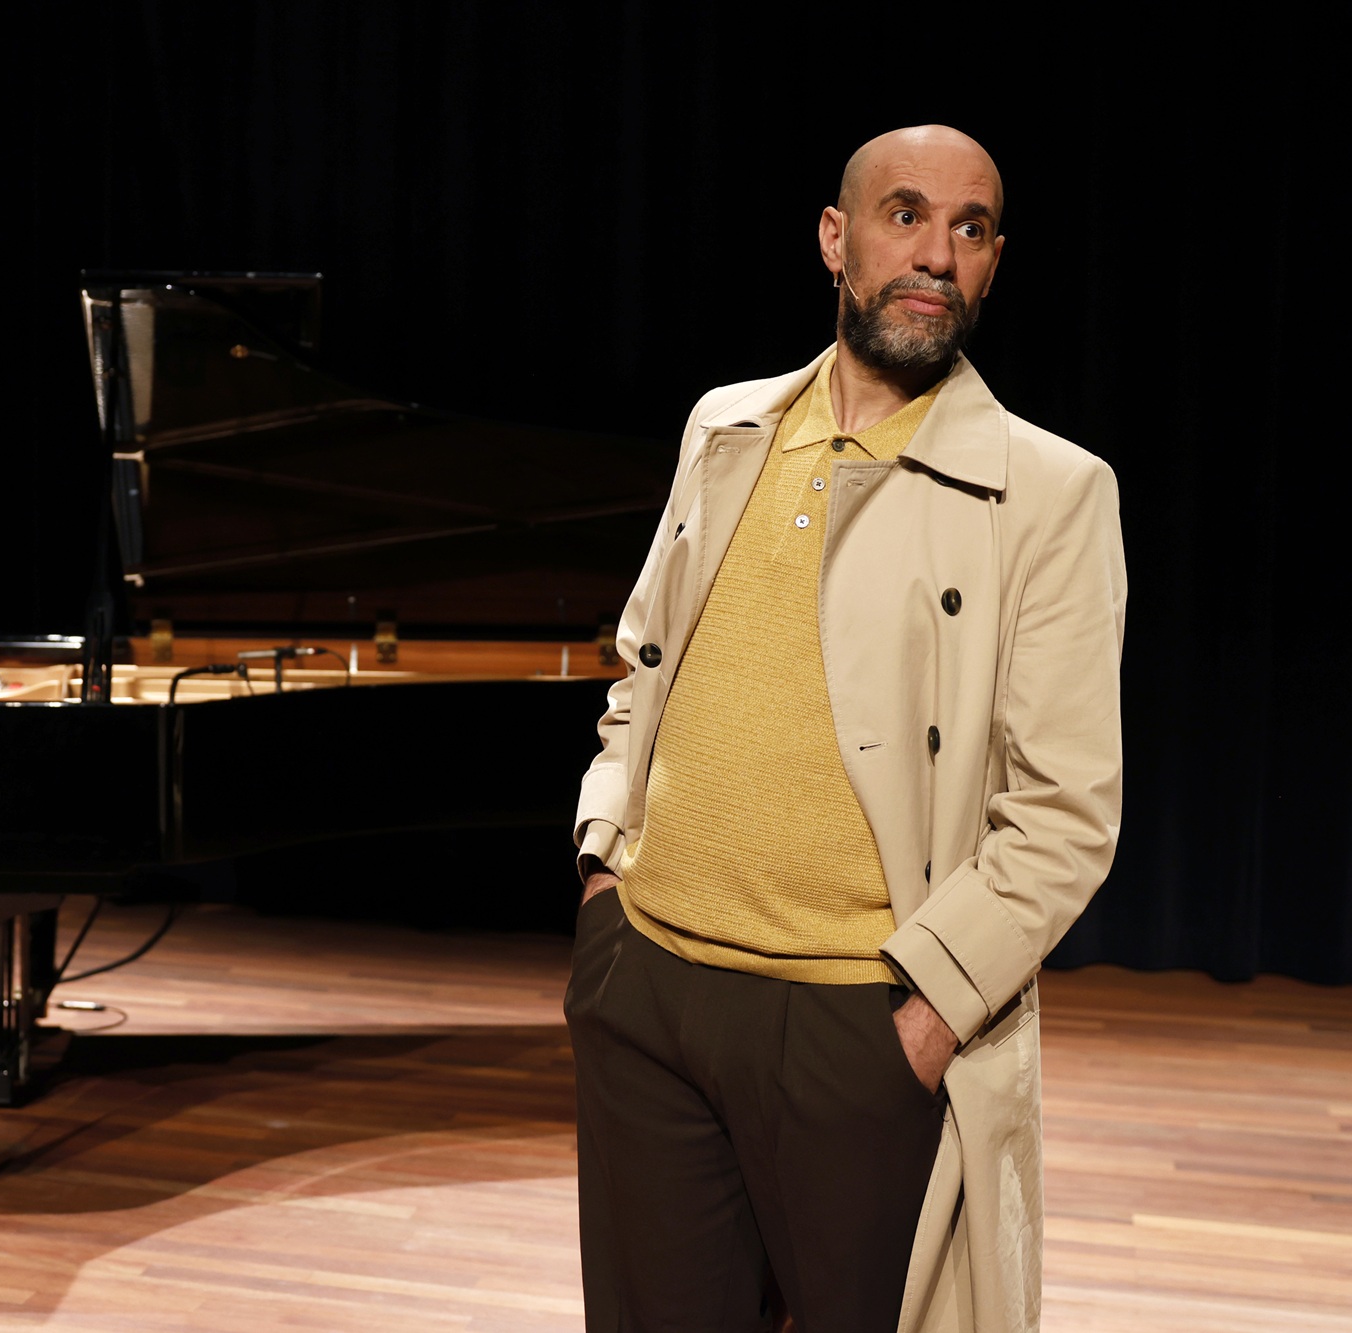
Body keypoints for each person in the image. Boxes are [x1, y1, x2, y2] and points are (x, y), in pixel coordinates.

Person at [565, 126, 1126, 1332]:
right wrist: (602, 871)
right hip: (646, 984)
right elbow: (639, 668)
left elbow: (1064, 814)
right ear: (835, 238)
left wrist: (921, 1025)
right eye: (904, 214)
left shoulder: (1048, 492)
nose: (935, 255)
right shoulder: (723, 427)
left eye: (969, 229)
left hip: (851, 1019)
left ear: (993, 262)